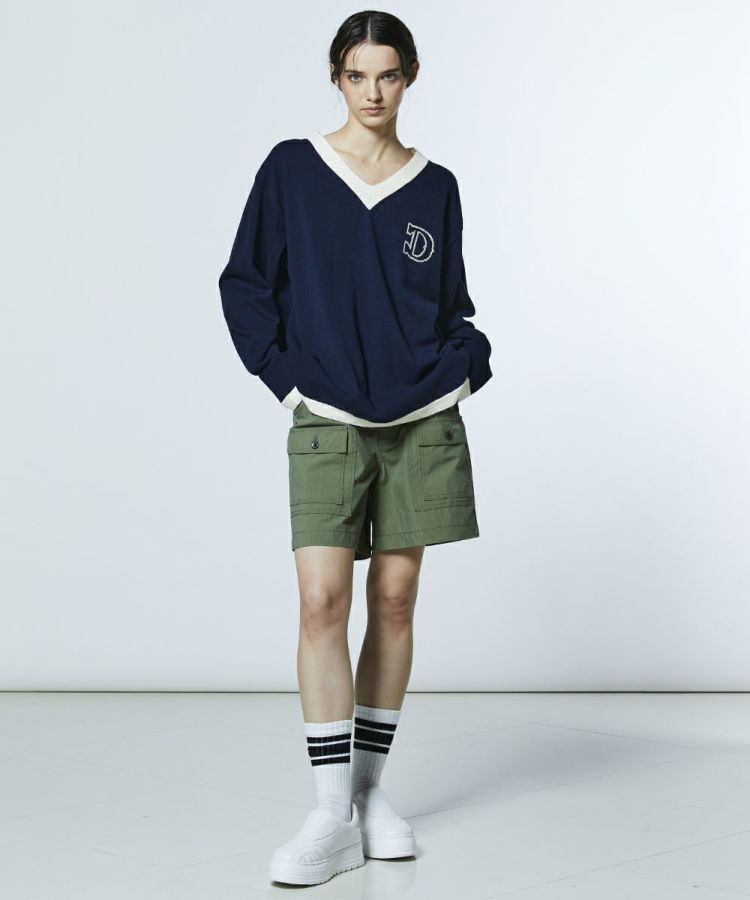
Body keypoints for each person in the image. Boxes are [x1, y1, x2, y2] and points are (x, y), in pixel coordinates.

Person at [218, 10, 493, 887]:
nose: (373, 92)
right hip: (329, 417)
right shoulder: (293, 169)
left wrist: (462, 369)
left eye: (388, 75)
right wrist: (288, 381)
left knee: (397, 600)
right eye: (356, 75)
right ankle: (328, 811)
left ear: (410, 76)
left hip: (422, 419)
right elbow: (245, 284)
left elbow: (452, 305)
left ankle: (370, 796)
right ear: (336, 77)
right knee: (321, 602)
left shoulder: (436, 185)